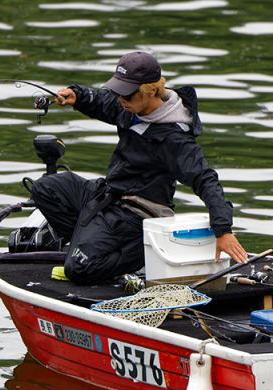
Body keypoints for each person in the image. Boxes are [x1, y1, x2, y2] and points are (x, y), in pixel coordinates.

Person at [30, 51, 247, 284]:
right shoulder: (131, 107)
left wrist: (223, 230)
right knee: (45, 188)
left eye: (126, 94)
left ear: (151, 91)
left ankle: (140, 254)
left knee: (79, 270)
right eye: (117, 90)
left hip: (137, 214)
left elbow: (206, 180)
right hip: (108, 195)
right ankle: (86, 246)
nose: (120, 99)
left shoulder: (176, 140)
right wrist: (77, 95)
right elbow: (104, 102)